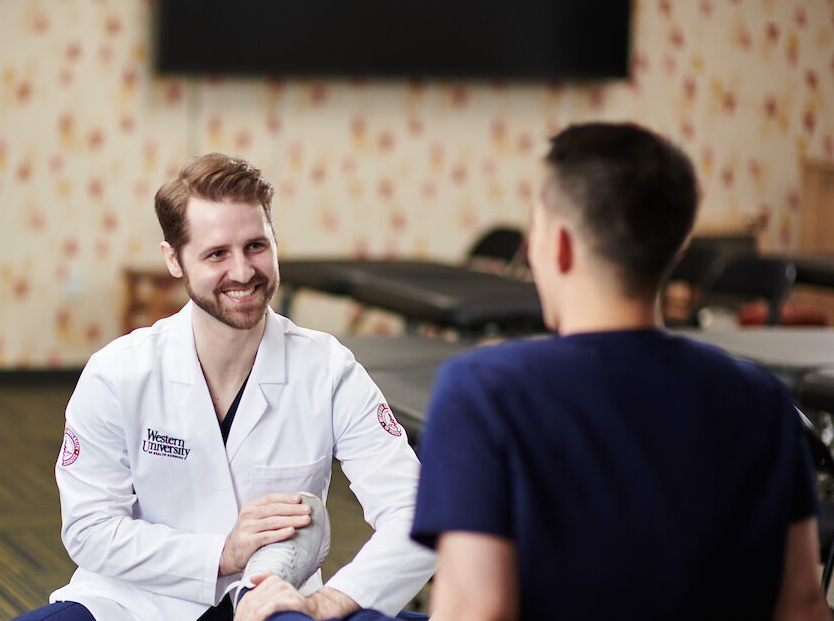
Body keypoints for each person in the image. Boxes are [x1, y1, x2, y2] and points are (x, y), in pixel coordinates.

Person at [237, 122, 829, 621]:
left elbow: (476, 610)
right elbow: (803, 605)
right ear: (674, 251)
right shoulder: (762, 402)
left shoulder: (485, 393)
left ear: (561, 247)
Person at [12, 152, 436, 621]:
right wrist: (222, 554)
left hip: (268, 602)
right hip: (134, 602)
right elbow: (89, 529)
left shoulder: (327, 370)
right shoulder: (116, 375)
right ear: (174, 260)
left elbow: (419, 515)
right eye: (217, 253)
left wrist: (329, 601)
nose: (242, 272)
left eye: (256, 246)